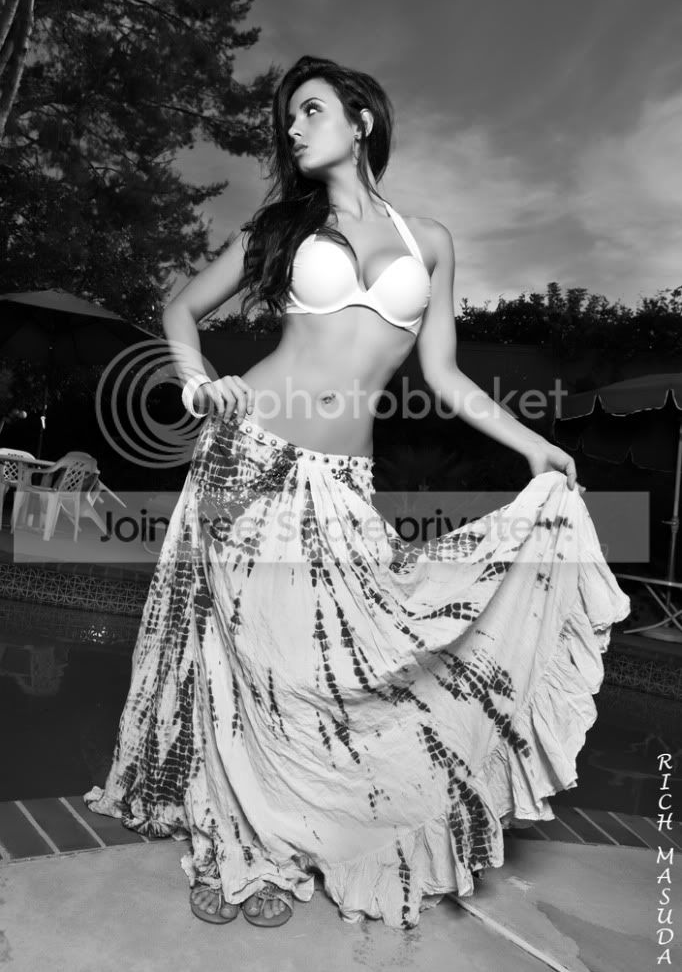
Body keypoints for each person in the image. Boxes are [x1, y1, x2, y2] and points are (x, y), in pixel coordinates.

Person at [84, 55, 631, 930]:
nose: (293, 127)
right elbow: (181, 310)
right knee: (251, 665)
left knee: (324, 668)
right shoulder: (282, 227)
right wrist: (198, 385)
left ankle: (293, 825)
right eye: (288, 117)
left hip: (341, 482)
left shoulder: (431, 241)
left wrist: (536, 446)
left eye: (311, 110)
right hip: (246, 454)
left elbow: (445, 376)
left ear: (361, 120)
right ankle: (241, 845)